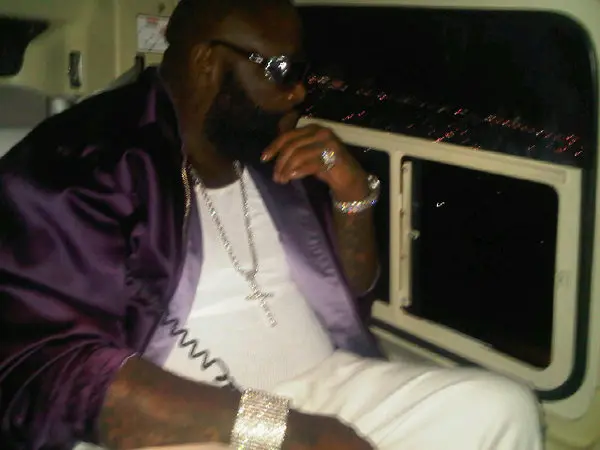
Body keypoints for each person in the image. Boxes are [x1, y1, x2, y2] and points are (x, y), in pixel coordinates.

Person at [0, 0, 543, 449]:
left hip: (324, 382)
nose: (301, 93)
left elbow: (354, 289)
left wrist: (352, 194)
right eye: (284, 72)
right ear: (208, 62)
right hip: (191, 419)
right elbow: (48, 369)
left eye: (303, 73)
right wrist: (285, 430)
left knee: (502, 409)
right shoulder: (82, 162)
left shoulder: (265, 150)